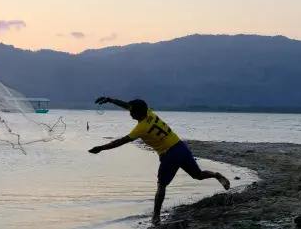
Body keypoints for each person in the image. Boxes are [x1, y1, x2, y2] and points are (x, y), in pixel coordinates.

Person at [89, 97, 230, 226]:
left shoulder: (141, 128)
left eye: (132, 111)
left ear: (139, 113)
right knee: (197, 175)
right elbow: (128, 105)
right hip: (181, 146)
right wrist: (110, 100)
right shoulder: (149, 113)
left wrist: (101, 148)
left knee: (161, 185)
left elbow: (120, 141)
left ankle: (155, 217)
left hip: (169, 154)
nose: (130, 113)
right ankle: (216, 175)